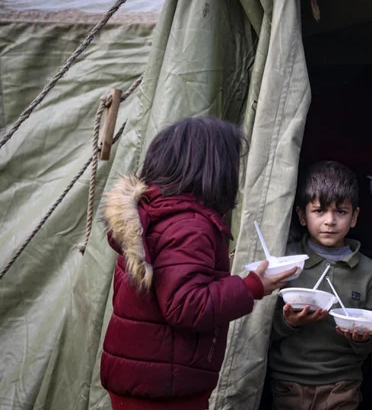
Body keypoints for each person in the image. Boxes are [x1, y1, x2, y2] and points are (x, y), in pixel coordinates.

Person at [100, 117, 295, 410]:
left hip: (142, 379)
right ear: (214, 170)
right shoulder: (189, 225)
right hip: (164, 390)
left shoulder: (156, 213)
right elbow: (186, 306)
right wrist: (252, 286)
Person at [268, 161, 372, 410]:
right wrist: (290, 322)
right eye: (319, 211)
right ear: (301, 215)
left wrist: (362, 338)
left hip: (343, 384)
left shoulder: (368, 271)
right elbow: (261, 331)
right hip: (289, 382)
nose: (330, 221)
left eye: (341, 212)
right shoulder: (286, 262)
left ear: (354, 217)